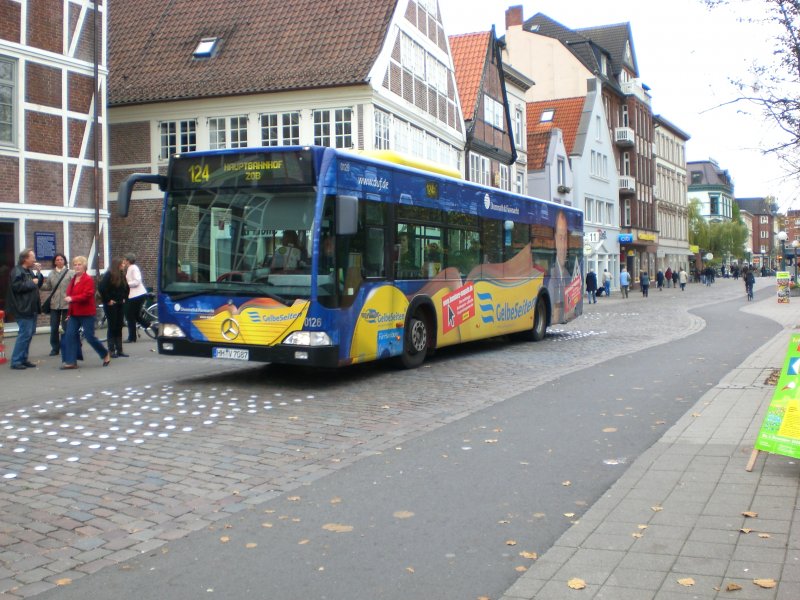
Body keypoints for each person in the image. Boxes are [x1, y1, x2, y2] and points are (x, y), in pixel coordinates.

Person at [60, 256, 110, 369]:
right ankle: (71, 361)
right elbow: (70, 295)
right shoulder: (73, 280)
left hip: (86, 313)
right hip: (74, 314)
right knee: (70, 335)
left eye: (79, 264)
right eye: (75, 265)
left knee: (89, 337)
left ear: (84, 266)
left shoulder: (88, 280)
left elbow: (87, 295)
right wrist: (69, 314)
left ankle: (105, 354)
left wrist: (73, 299)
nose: (77, 267)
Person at [7, 249, 43, 370]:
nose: (34, 259)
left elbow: (38, 284)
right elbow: (16, 287)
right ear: (25, 259)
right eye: (32, 257)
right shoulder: (17, 271)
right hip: (23, 307)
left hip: (31, 307)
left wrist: (38, 273)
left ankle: (23, 358)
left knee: (28, 334)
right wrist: (32, 282)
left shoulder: (28, 271)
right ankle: (16, 361)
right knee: (24, 334)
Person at [40, 252, 73, 356]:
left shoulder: (70, 273)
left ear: (64, 261)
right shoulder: (51, 274)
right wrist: (39, 284)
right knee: (54, 327)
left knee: (66, 327)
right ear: (54, 262)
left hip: (67, 304)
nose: (59, 261)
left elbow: (75, 287)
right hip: (54, 304)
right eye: (57, 260)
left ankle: (68, 346)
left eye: (61, 259)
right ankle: (55, 348)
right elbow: (48, 287)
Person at [98, 257, 130, 358]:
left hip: (120, 303)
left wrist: (125, 297)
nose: (124, 265)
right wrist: (108, 300)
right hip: (111, 304)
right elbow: (102, 288)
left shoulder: (122, 275)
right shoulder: (109, 275)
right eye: (122, 264)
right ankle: (111, 350)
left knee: (119, 325)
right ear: (118, 265)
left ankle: (119, 349)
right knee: (112, 326)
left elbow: (126, 288)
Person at [122, 253, 148, 342]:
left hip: (137, 295)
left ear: (128, 260)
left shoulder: (133, 268)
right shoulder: (130, 268)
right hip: (135, 295)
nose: (123, 261)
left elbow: (137, 281)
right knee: (136, 315)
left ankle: (132, 337)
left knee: (129, 315)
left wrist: (126, 284)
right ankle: (152, 327)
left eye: (125, 259)